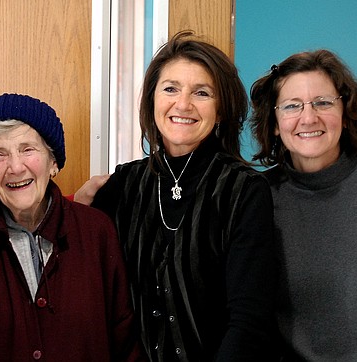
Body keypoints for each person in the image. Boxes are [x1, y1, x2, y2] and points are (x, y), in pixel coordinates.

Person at [75, 31, 278, 360]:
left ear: (222, 110)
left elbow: (249, 322)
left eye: (202, 92)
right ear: (153, 99)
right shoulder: (122, 184)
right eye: (170, 89)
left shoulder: (245, 191)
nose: (183, 104)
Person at [250, 49, 357, 360]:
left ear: (345, 110)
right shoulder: (254, 196)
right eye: (292, 106)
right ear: (274, 123)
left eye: (323, 102)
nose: (309, 117)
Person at [0, 93, 145, 361]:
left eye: (28, 149)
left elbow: (125, 340)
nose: (16, 167)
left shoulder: (96, 232)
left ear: (53, 162)